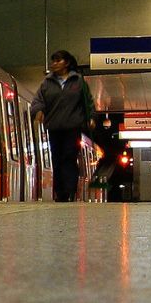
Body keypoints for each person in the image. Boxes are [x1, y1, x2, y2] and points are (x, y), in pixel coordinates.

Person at [30, 49, 94, 202]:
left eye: (58, 60)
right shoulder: (47, 83)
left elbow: (87, 101)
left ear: (67, 63)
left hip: (72, 127)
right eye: (53, 61)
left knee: (69, 157)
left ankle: (69, 190)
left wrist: (91, 117)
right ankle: (60, 192)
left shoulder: (78, 81)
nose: (54, 64)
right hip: (54, 127)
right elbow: (38, 100)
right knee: (57, 159)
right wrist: (38, 110)